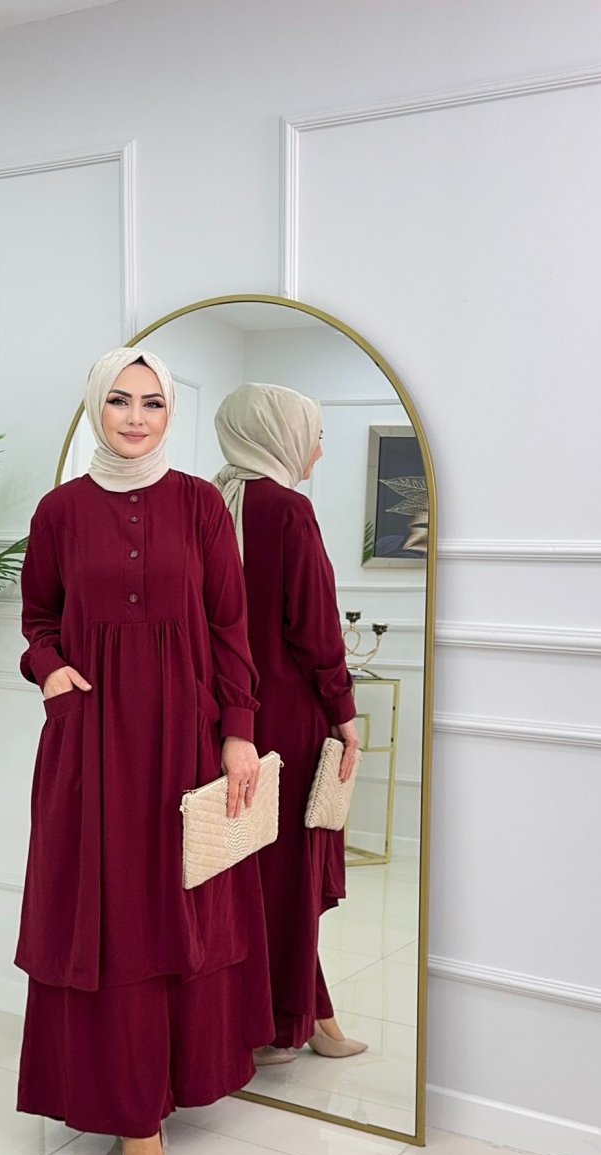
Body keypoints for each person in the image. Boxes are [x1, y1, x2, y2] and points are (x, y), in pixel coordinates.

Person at [16, 348, 273, 1155]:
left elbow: (230, 625)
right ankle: (134, 1116)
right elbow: (38, 617)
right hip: (92, 744)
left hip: (184, 741)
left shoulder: (201, 506)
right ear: (98, 407)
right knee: (111, 913)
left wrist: (239, 732)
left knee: (175, 909)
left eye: (152, 402)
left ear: (171, 413)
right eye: (120, 401)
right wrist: (50, 669)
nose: (135, 417)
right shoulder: (59, 511)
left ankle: (177, 1077)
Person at [214, 383, 366, 1064]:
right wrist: (344, 712)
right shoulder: (288, 510)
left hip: (225, 720)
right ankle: (282, 1023)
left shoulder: (208, 499)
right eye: (315, 435)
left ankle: (299, 1012)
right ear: (277, 433)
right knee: (286, 879)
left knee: (240, 875)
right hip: (289, 723)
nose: (318, 451)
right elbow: (315, 629)